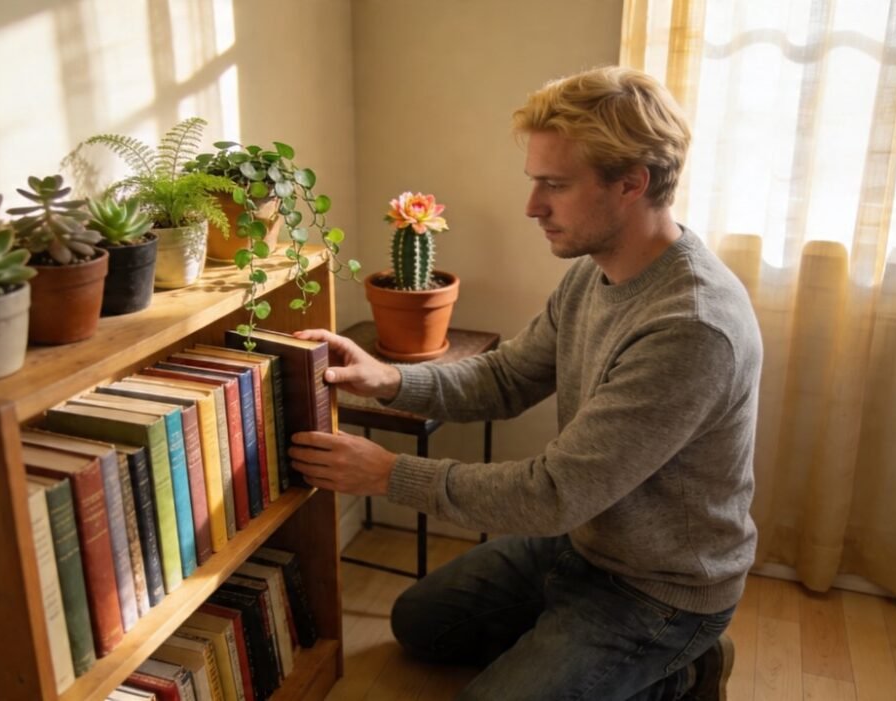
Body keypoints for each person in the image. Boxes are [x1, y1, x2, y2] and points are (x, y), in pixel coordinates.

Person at [288, 65, 762, 701]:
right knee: (419, 625)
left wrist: (384, 474)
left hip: (660, 592)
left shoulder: (692, 328)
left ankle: (681, 669)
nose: (532, 206)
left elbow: (552, 493)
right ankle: (581, 650)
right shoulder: (596, 271)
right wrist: (390, 380)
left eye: (555, 185)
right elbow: (507, 377)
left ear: (632, 184)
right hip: (583, 544)